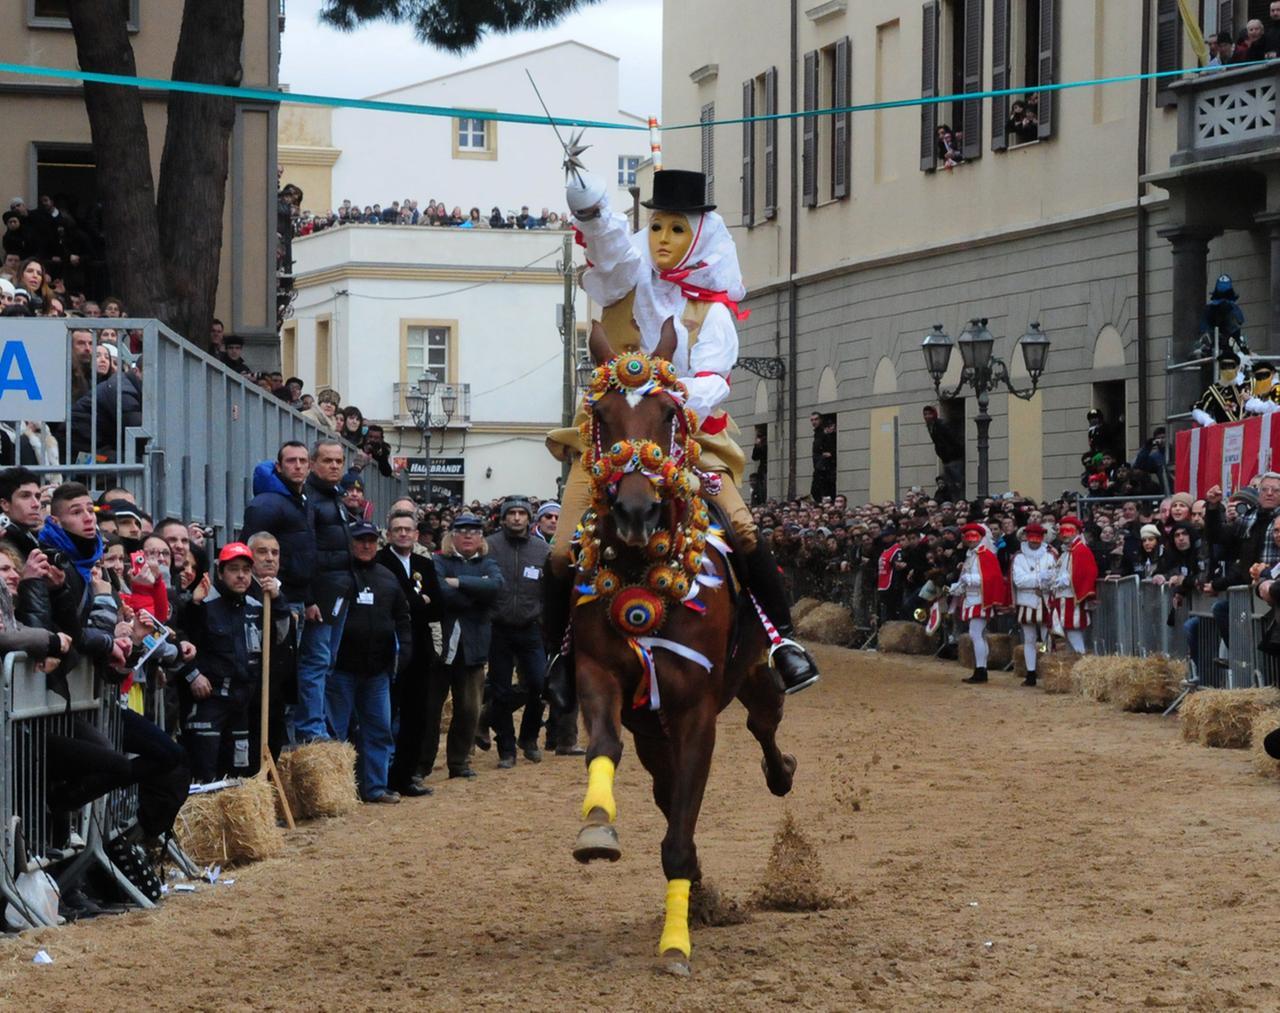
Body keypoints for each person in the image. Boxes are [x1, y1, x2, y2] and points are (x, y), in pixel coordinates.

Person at [549, 164, 819, 695]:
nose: (663, 240)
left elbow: (715, 380)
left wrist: (663, 398)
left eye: (676, 229)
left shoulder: (713, 312)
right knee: (561, 551)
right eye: (656, 227)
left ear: (698, 234)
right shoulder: (626, 277)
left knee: (741, 530)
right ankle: (557, 655)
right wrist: (588, 201)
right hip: (611, 446)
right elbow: (605, 242)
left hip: (688, 443)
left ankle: (784, 641)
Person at [178, 543, 288, 781]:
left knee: (236, 773)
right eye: (234, 569)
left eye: (246, 570)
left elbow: (279, 638)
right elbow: (180, 643)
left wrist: (278, 601)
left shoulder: (259, 607)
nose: (241, 575)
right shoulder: (202, 604)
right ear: (220, 571)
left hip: (242, 703)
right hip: (209, 700)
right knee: (204, 771)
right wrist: (193, 675)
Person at [328, 522, 412, 804]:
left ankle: (375, 787)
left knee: (379, 730)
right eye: (360, 540)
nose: (366, 545)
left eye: (371, 540)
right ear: (350, 542)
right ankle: (337, 792)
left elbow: (403, 618)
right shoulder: (339, 576)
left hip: (378, 671)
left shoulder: (388, 578)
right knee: (336, 732)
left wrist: (404, 652)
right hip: (341, 670)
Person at [427, 514, 503, 780]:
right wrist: (476, 595)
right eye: (462, 531)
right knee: (430, 709)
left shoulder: (489, 563)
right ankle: (422, 764)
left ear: (481, 537)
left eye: (474, 531)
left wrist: (458, 583)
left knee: (469, 709)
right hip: (441, 647)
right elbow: (439, 592)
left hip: (473, 647)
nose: (468, 535)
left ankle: (459, 763)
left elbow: (495, 587)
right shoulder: (438, 561)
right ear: (452, 536)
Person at [375, 509, 442, 798]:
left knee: (418, 714)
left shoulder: (424, 564)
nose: (403, 533)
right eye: (397, 529)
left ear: (416, 535)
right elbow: (393, 604)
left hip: (421, 647)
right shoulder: (380, 563)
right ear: (388, 534)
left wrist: (415, 601)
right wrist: (418, 600)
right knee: (387, 714)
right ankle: (382, 776)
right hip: (389, 647)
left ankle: (407, 775)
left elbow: (438, 604)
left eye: (408, 529)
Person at [293, 439, 355, 742]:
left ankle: (319, 726)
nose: (334, 466)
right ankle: (311, 729)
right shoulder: (311, 499)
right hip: (321, 597)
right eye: (328, 460)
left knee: (326, 664)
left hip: (339, 594)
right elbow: (306, 552)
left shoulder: (335, 498)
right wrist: (309, 598)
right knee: (316, 663)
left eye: (339, 461)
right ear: (314, 463)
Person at [484, 496, 549, 769]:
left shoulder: (542, 550)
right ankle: (506, 749)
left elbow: (551, 588)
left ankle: (530, 737)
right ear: (503, 517)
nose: (517, 518)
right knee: (499, 690)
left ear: (529, 518)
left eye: (522, 513)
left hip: (531, 628)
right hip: (497, 627)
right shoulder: (489, 546)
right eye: (512, 513)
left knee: (539, 685)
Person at [951, 523, 1009, 685]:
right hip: (971, 598)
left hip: (982, 599)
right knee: (979, 635)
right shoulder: (971, 555)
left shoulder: (986, 554)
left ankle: (981, 670)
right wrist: (957, 588)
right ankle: (980, 668)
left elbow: (990, 578)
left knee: (975, 634)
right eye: (967, 537)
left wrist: (968, 580)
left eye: (973, 536)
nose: (970, 540)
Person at [1011, 522, 1055, 687]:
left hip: (1045, 602)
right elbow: (1019, 581)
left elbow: (1053, 577)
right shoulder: (1019, 558)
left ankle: (1048, 671)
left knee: (1047, 639)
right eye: (1032, 537)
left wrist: (1042, 583)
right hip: (1026, 602)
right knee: (1029, 639)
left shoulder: (1050, 556)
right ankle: (1030, 673)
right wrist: (1039, 579)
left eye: (1038, 538)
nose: (1035, 541)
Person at [1050, 515, 1098, 654]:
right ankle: (1075, 661)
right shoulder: (1066, 551)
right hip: (1062, 597)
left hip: (1073, 598)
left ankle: (1081, 659)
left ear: (1077, 531)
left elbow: (1086, 573)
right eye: (1062, 531)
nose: (1065, 535)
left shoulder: (1081, 550)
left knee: (1072, 630)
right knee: (1066, 631)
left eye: (1069, 531)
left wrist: (1066, 580)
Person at [922, 406, 965, 501]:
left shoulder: (941, 424)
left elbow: (952, 439)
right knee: (950, 484)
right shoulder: (931, 426)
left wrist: (952, 452)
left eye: (929, 414)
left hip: (953, 458)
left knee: (957, 483)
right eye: (925, 414)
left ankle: (959, 501)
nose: (927, 416)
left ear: (934, 414)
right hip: (946, 458)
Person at [810, 413, 837, 502]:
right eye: (812, 420)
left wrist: (830, 454)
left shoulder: (825, 432)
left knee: (826, 491)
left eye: (816, 419)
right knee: (815, 491)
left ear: (821, 420)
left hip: (826, 467)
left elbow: (832, 446)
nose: (814, 422)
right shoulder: (817, 433)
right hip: (819, 466)